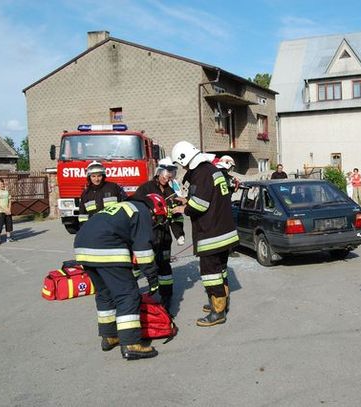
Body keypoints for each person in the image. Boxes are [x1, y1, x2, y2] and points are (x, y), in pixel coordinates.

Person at [74, 193, 168, 360]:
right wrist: (153, 278)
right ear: (154, 210)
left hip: (82, 246)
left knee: (105, 294)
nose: (155, 223)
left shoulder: (121, 207)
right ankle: (131, 344)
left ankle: (110, 336)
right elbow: (143, 250)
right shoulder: (142, 212)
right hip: (106, 247)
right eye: (157, 219)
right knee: (128, 295)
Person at [170, 141, 239, 327]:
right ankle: (221, 303)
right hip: (224, 231)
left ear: (185, 159)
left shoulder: (201, 173)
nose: (182, 167)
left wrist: (182, 208)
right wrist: (187, 198)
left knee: (211, 274)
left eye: (181, 163)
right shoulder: (211, 169)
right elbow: (211, 196)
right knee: (221, 270)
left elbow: (200, 205)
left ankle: (218, 312)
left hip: (211, 234)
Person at [133, 159, 178, 316]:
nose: (169, 177)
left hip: (164, 236)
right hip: (147, 234)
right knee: (138, 266)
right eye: (166, 173)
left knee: (164, 266)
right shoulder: (145, 188)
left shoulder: (170, 191)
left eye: (172, 174)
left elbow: (176, 214)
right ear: (159, 172)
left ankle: (166, 297)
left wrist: (180, 234)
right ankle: (131, 295)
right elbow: (135, 208)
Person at [0, 178, 15, 244]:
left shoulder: (6, 191)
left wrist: (9, 209)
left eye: (3, 183)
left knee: (9, 225)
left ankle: (8, 238)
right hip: (0, 212)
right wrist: (3, 210)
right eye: (1, 183)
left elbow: (9, 200)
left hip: (7, 211)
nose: (3, 185)